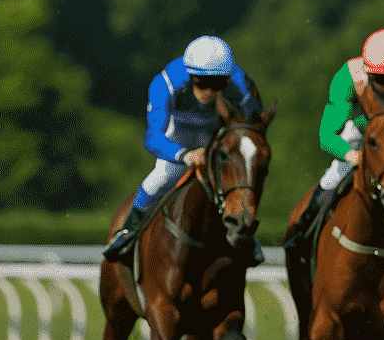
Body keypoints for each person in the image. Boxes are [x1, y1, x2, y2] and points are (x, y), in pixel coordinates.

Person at [285, 28, 384, 263]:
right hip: (358, 139)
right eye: (381, 80)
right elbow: (327, 135)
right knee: (331, 180)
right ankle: (303, 233)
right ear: (367, 73)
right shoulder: (347, 78)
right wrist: (352, 156)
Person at [102, 35, 264, 264]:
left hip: (216, 135)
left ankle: (246, 233)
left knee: (238, 177)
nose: (209, 91)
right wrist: (184, 154)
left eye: (218, 85)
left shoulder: (241, 84)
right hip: (178, 134)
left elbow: (253, 128)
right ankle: (128, 231)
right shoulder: (165, 84)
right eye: (202, 83)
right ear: (189, 76)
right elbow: (153, 136)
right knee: (163, 175)